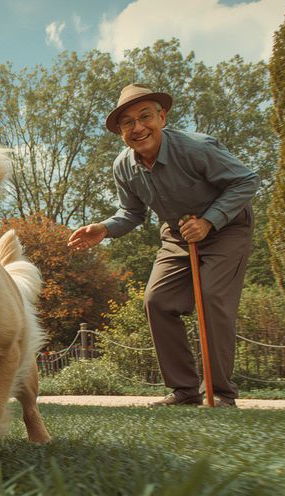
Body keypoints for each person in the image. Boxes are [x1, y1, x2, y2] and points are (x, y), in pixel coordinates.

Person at [68, 83, 259, 407]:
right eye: (128, 122)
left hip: (226, 228)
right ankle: (184, 391)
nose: (138, 127)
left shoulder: (196, 148)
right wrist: (105, 228)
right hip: (176, 234)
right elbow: (132, 213)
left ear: (162, 117)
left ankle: (221, 394)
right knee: (157, 300)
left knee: (212, 298)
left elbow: (247, 180)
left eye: (145, 117)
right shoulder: (123, 167)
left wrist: (209, 220)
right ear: (120, 132)